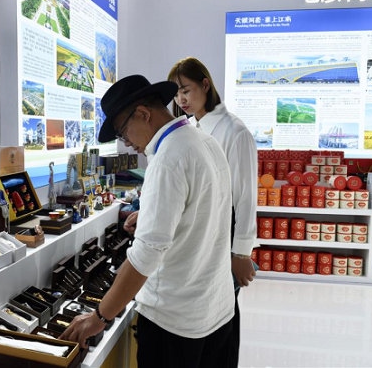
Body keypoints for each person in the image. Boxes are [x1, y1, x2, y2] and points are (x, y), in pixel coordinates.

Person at [58, 74, 235, 367]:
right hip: (216, 309)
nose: (127, 144)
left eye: (123, 132)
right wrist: (153, 214)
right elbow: (209, 206)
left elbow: (147, 255)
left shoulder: (168, 158)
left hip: (175, 322)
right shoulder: (204, 140)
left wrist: (100, 316)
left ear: (143, 113)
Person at [167, 56, 258, 366]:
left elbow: (245, 197)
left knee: (224, 312)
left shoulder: (235, 131)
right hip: (203, 231)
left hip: (225, 232)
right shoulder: (192, 128)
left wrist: (241, 253)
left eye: (186, 90)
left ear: (205, 85)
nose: (181, 100)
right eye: (177, 94)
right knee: (206, 308)